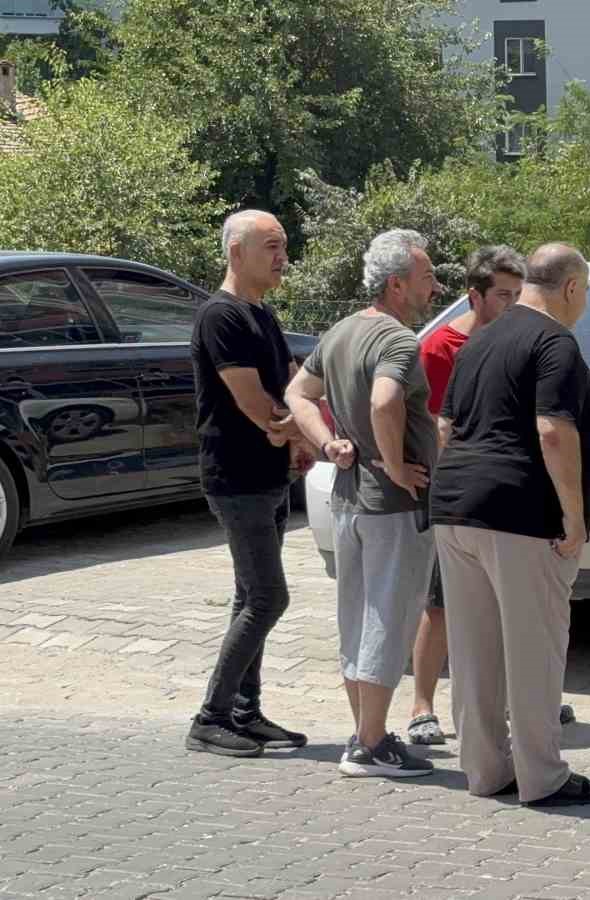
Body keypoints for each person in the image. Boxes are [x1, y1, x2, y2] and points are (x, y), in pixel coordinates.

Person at [431, 243, 590, 807]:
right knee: (535, 649)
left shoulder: (481, 335)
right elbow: (553, 430)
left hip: (457, 506)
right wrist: (575, 517)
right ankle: (542, 777)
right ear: (572, 287)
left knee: (474, 649)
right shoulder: (554, 341)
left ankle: (486, 771)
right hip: (520, 513)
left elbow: (446, 424)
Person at [405, 245, 578, 746]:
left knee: (491, 625)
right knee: (448, 612)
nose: (510, 301)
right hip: (480, 502)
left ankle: (498, 741)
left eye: (515, 291)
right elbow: (443, 427)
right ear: (474, 296)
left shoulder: (499, 343)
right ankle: (425, 705)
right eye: (501, 293)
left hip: (477, 503)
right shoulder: (446, 346)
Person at [284, 229, 441, 778]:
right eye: (426, 277)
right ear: (397, 285)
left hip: (349, 502)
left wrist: (326, 444)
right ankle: (370, 745)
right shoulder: (399, 341)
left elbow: (297, 395)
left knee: (355, 618)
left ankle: (364, 734)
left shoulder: (342, 331)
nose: (435, 286)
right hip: (392, 507)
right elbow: (384, 400)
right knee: (388, 622)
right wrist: (397, 464)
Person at [186, 210, 313, 758]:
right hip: (235, 478)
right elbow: (253, 400)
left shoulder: (260, 313)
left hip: (268, 477)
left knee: (248, 596)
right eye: (271, 246)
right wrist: (293, 429)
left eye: (283, 245)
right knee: (267, 597)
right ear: (236, 252)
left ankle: (244, 711)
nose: (282, 256)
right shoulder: (222, 316)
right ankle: (209, 718)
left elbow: (287, 381)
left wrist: (300, 439)